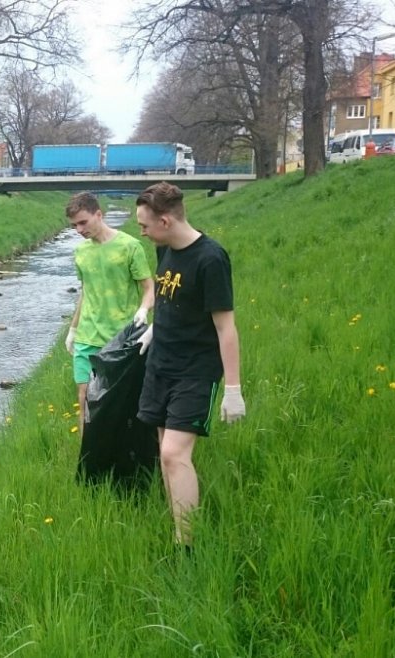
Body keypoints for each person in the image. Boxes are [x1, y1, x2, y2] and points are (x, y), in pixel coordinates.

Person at [133, 181, 245, 548]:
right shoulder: (165, 251)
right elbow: (169, 301)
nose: (142, 232)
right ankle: (177, 528)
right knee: (167, 454)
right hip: (161, 362)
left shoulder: (210, 258)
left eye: (144, 226)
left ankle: (187, 547)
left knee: (173, 454)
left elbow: (225, 326)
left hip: (196, 369)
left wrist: (233, 390)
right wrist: (153, 329)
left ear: (165, 222)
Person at [64, 192, 154, 437]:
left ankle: (121, 455)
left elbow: (149, 287)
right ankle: (87, 462)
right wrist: (73, 330)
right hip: (86, 338)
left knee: (118, 402)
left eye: (83, 222)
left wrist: (143, 310)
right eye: (74, 226)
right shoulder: (81, 252)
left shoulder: (129, 246)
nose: (79, 230)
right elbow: (85, 292)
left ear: (99, 214)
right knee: (84, 399)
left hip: (120, 339)